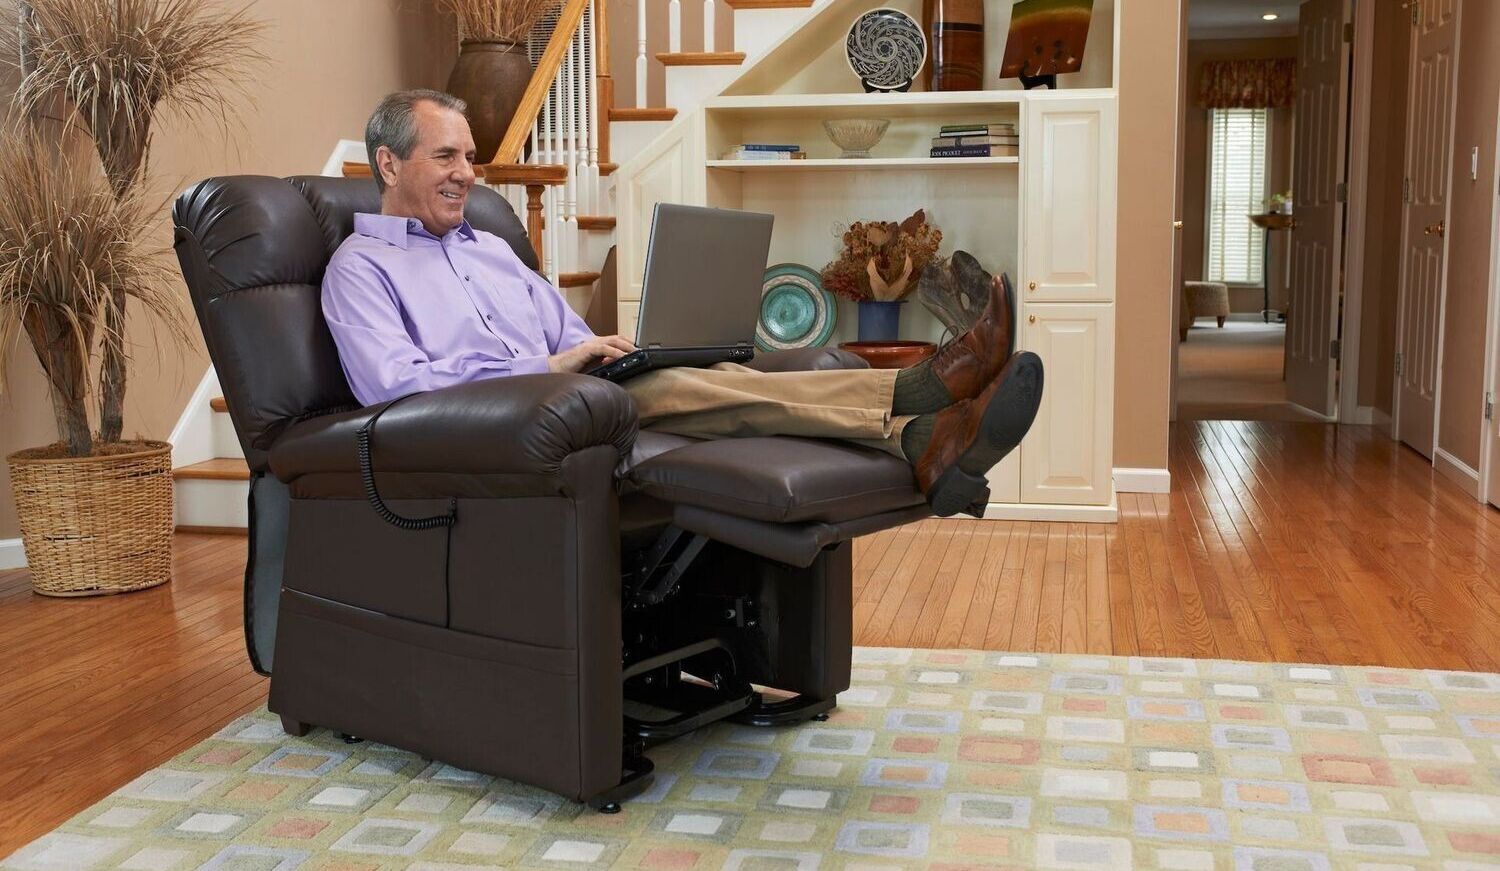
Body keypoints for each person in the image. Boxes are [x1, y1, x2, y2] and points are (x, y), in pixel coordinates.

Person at [321, 90, 1043, 517]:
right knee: (689, 384)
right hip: (498, 419)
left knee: (725, 377)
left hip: (572, 391)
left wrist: (597, 349)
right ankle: (921, 391)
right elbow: (394, 386)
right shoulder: (361, 267)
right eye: (446, 157)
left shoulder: (489, 246)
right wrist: (550, 364)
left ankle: (922, 442)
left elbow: (569, 331)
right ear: (388, 163)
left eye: (470, 157)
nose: (467, 174)